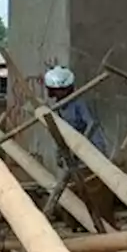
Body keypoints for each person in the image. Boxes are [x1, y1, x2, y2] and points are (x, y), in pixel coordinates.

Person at [44, 65, 114, 224]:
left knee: (93, 187)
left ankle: (100, 221)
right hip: (73, 149)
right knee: (75, 186)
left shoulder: (79, 103)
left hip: (89, 148)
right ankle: (79, 221)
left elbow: (91, 124)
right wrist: (61, 152)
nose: (55, 94)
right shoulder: (60, 106)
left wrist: (83, 147)